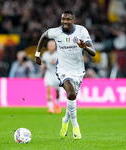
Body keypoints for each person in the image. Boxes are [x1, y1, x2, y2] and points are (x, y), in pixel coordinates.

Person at [35, 10, 96, 140]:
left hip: (78, 71)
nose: (65, 22)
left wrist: (84, 46)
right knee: (71, 93)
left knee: (71, 100)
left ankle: (65, 121)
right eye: (63, 19)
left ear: (73, 20)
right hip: (62, 69)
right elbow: (44, 36)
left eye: (68, 20)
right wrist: (37, 54)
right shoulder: (56, 32)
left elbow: (93, 52)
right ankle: (75, 126)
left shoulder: (82, 31)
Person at [41, 40, 61, 114]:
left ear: (55, 46)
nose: (51, 47)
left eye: (52, 45)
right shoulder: (45, 54)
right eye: (50, 45)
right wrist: (42, 66)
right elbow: (43, 63)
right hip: (49, 74)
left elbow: (62, 65)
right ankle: (50, 107)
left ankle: (57, 103)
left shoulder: (58, 54)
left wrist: (55, 63)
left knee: (57, 91)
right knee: (48, 90)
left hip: (57, 75)